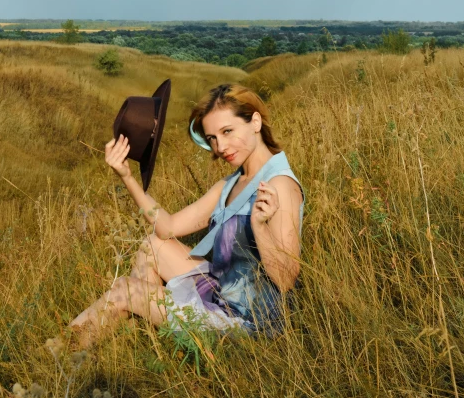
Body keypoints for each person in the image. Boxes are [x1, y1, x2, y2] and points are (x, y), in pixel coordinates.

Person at [70, 83, 304, 346]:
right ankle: (149, 331)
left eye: (228, 131)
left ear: (256, 122)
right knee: (153, 246)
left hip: (249, 322)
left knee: (125, 289)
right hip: (223, 290)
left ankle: (59, 354)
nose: (221, 146)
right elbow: (167, 227)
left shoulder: (280, 186)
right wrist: (127, 176)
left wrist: (259, 227)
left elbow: (285, 280)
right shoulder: (230, 185)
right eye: (213, 138)